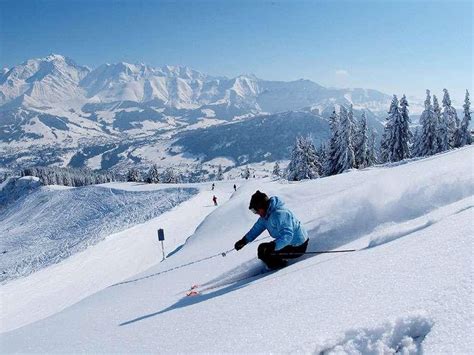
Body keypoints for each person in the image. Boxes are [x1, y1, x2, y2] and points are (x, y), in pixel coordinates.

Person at [234, 190, 308, 270]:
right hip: (289, 244)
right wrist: (244, 241)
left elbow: (287, 236)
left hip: (298, 246)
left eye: (255, 210)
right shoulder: (265, 216)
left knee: (264, 250)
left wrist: (273, 245)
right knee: (263, 249)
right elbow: (256, 229)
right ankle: (276, 264)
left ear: (262, 206)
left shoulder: (279, 214)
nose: (256, 213)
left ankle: (278, 269)